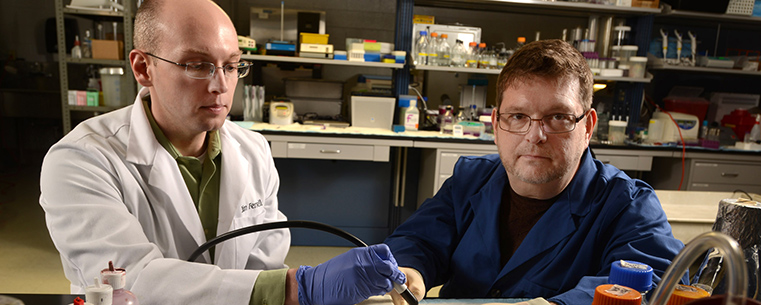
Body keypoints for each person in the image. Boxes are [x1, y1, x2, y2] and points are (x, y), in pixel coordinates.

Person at [39, 0, 404, 304]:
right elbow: (131, 281)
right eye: (198, 66)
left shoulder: (253, 150)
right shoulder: (80, 160)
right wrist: (297, 288)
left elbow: (264, 264)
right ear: (143, 67)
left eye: (231, 66)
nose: (221, 86)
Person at [385, 39, 685, 305]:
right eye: (518, 116)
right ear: (496, 124)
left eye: (557, 117)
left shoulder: (627, 205)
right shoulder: (471, 180)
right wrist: (410, 269)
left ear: (588, 127)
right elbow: (418, 240)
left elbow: (657, 281)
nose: (535, 135)